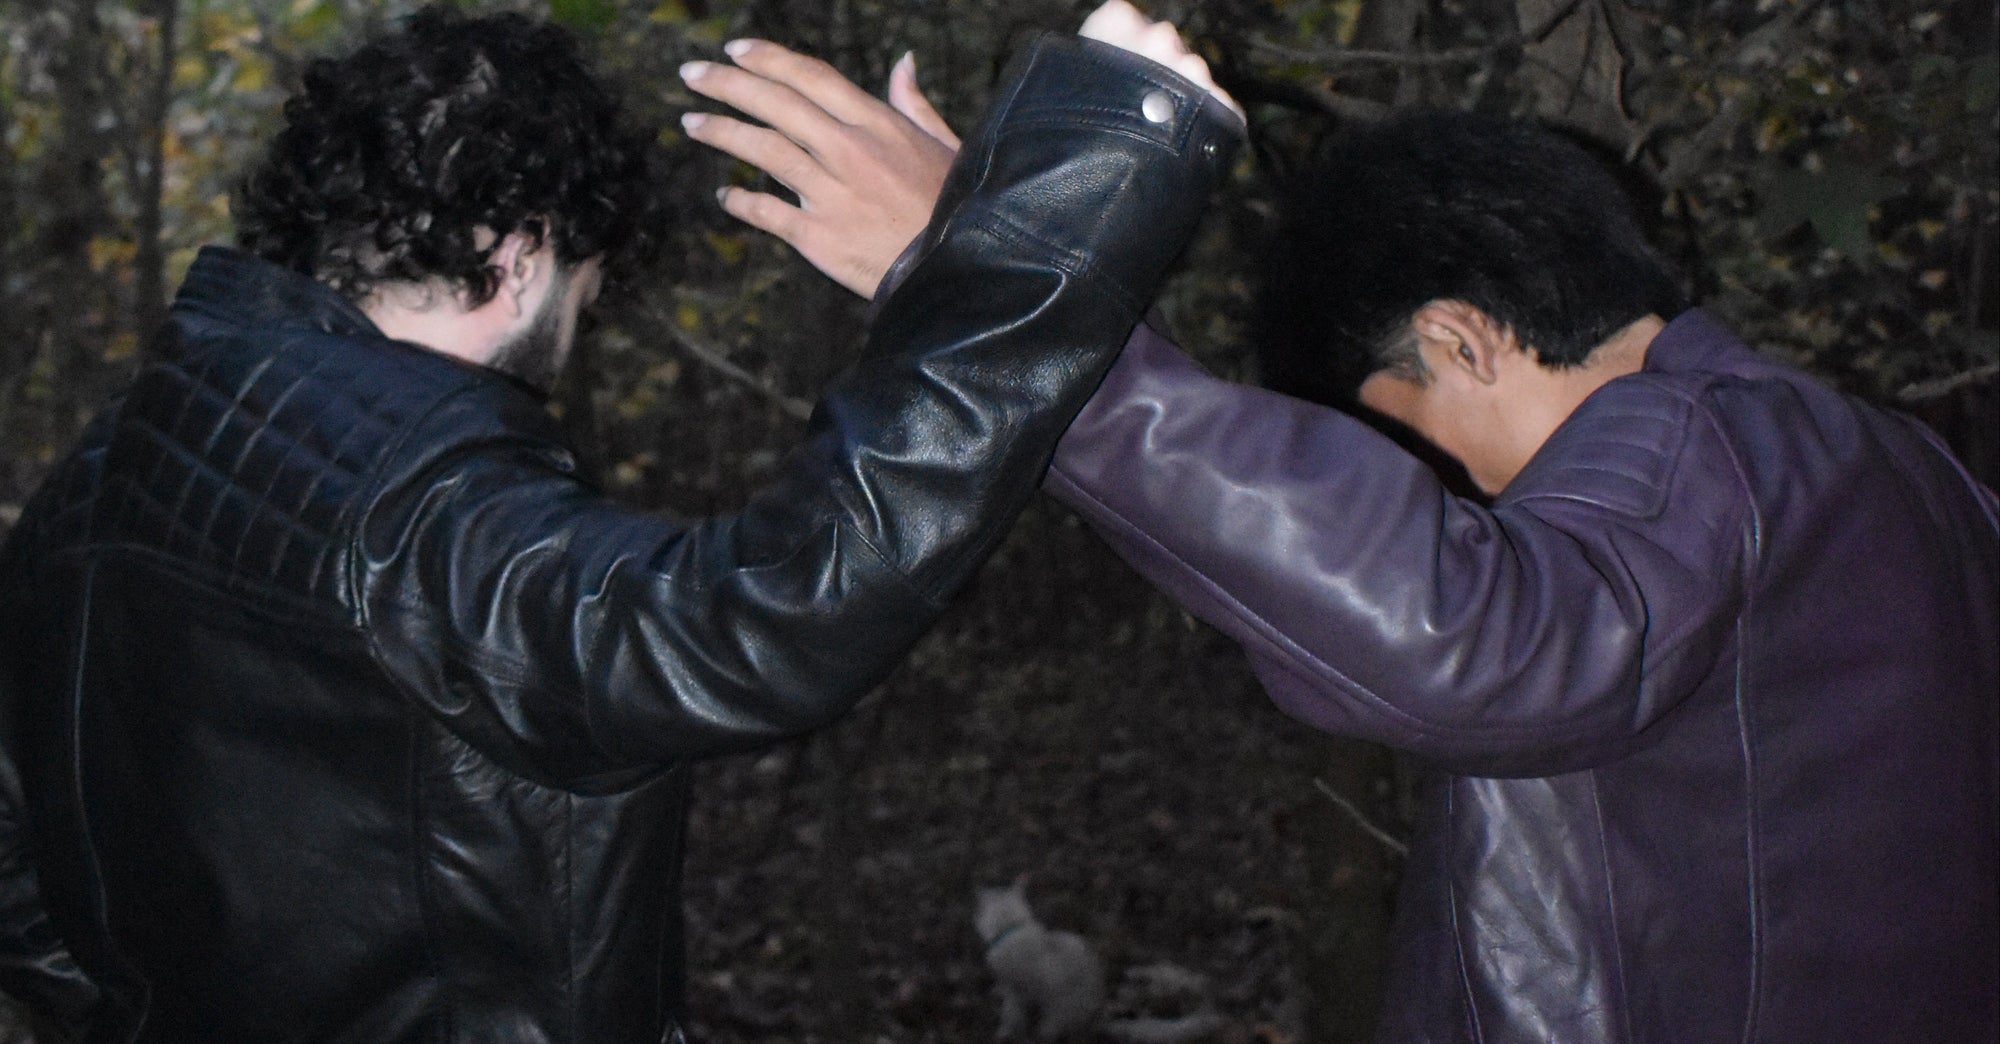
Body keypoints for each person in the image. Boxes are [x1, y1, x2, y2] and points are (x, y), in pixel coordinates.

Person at [687, 25, 2000, 1040]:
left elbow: (1472, 640)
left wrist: (1008, 296)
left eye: (1410, 434)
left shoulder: (1695, 444)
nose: (1440, 495)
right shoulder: (1912, 478)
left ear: (1457, 338)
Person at [0, 5, 1244, 1040]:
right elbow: (757, 617)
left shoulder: (103, 474)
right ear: (521, 253)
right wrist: (1078, 187)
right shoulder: (420, 510)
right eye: (586, 293)